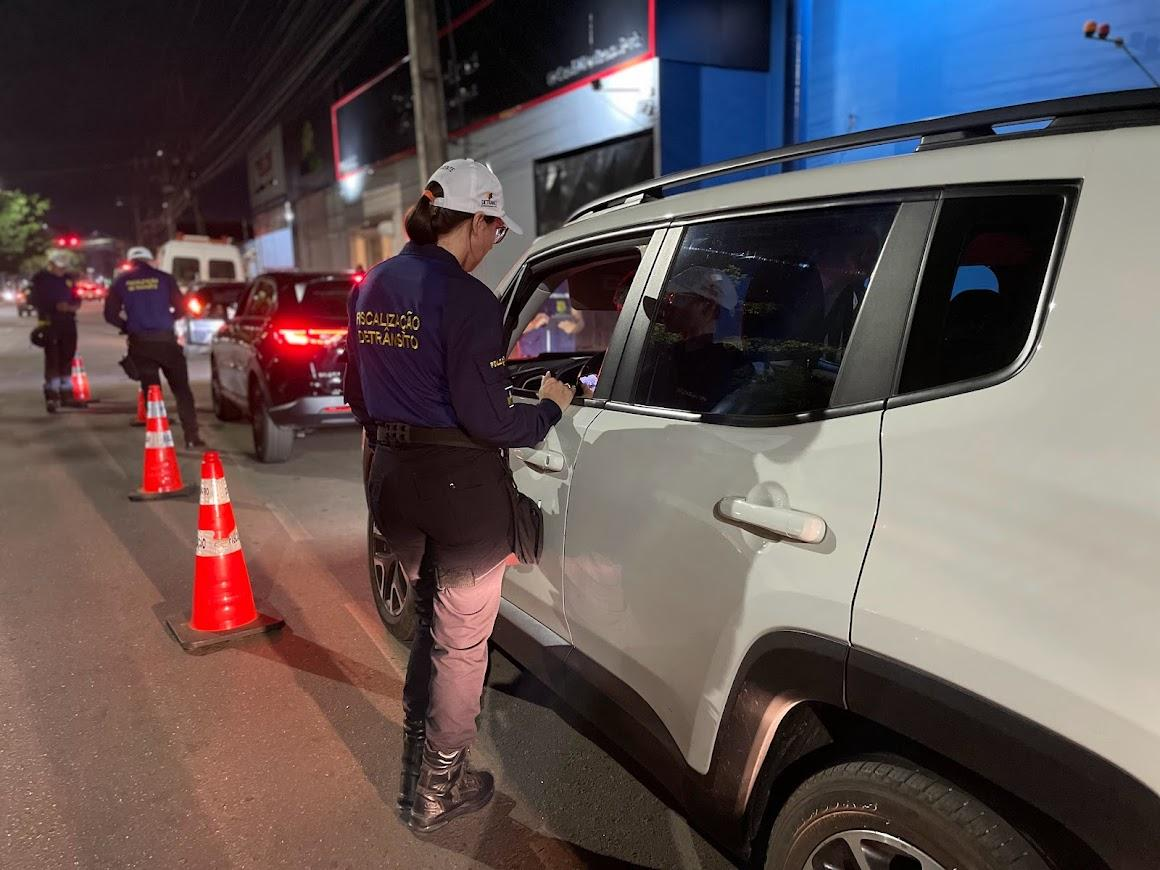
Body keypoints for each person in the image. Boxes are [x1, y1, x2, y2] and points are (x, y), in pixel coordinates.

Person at [344, 158, 574, 834]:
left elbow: (354, 391)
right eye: (495, 230)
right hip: (458, 491)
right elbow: (491, 419)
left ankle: (424, 751)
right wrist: (551, 409)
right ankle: (438, 787)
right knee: (461, 642)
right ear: (475, 219)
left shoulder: (375, 284)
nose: (491, 242)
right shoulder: (469, 298)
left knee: (431, 623)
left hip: (391, 481)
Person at [104, 247, 204, 448]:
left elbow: (110, 315)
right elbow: (182, 308)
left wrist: (128, 326)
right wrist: (166, 319)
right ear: (150, 260)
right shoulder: (165, 278)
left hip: (140, 344)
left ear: (131, 262)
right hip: (166, 342)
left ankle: (159, 440)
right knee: (182, 390)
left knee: (152, 392)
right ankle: (191, 437)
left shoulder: (121, 282)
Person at [29, 252, 82, 412]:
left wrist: (72, 306)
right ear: (51, 265)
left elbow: (76, 298)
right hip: (50, 323)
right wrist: (54, 307)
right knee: (53, 359)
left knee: (67, 357)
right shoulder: (41, 279)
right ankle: (52, 396)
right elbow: (33, 300)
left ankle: (67, 394)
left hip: (68, 323)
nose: (61, 270)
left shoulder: (69, 279)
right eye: (59, 267)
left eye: (63, 267)